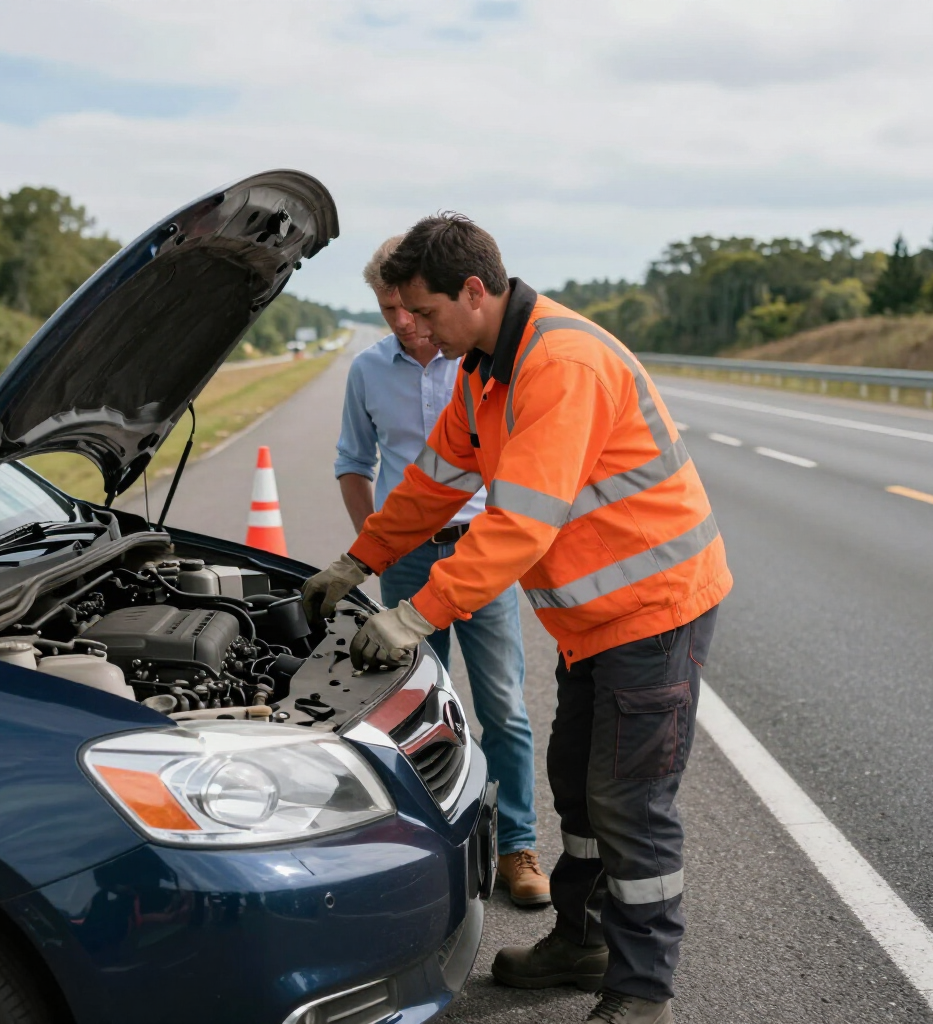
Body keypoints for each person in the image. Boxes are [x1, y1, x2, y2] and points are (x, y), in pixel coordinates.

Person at [303, 214, 732, 1024]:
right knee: (578, 784)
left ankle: (643, 995)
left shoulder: (559, 365)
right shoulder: (482, 369)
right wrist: (358, 560)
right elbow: (432, 482)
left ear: (474, 290)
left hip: (654, 610)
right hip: (596, 621)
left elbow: (520, 524)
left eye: (424, 313)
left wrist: (417, 613)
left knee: (630, 802)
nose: (414, 330)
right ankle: (584, 941)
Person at [330, 235, 549, 907]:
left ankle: (517, 847)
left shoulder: (486, 364)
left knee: (503, 708)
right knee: (410, 712)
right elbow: (376, 469)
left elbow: (519, 502)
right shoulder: (370, 370)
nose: (404, 322)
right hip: (408, 560)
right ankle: (427, 851)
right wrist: (366, 553)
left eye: (411, 307)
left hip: (485, 553)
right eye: (388, 307)